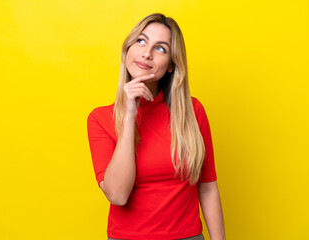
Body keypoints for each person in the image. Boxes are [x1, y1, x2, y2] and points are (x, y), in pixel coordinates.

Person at [87, 13, 226, 240]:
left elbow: (208, 187)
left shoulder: (193, 112)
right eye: (141, 41)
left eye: (160, 48)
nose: (147, 53)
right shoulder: (100, 119)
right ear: (127, 50)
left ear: (172, 65)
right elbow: (118, 195)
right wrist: (130, 115)